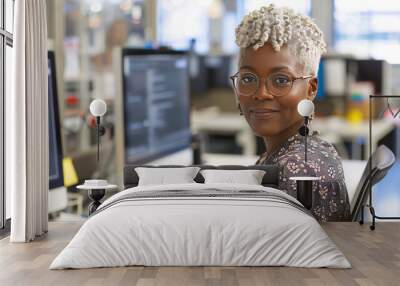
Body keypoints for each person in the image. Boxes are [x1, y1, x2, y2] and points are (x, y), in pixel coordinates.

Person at [231, 4, 350, 221]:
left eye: (281, 80)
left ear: (311, 89)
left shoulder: (299, 170)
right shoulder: (295, 152)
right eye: (248, 78)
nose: (261, 94)